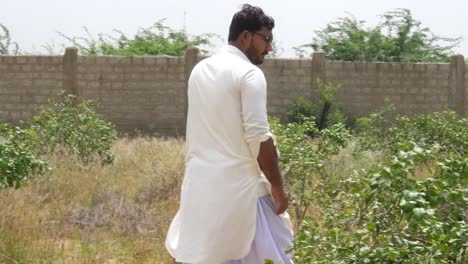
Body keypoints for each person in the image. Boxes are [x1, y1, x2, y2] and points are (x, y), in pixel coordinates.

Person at [165, 4, 293, 264]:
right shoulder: (248, 73)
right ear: (246, 36)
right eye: (265, 39)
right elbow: (259, 138)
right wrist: (278, 188)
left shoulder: (200, 70)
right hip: (242, 197)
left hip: (200, 192)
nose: (269, 47)